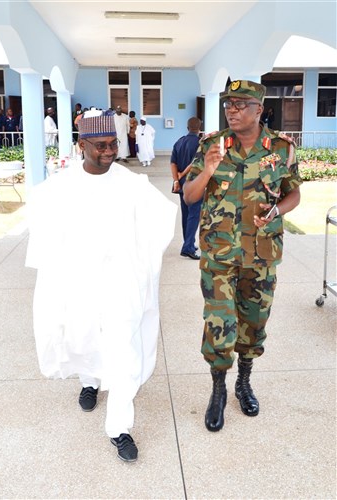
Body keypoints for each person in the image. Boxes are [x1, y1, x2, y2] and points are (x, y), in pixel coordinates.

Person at [26, 109, 177, 463]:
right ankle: (90, 382)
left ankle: (119, 428)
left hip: (121, 286)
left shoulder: (130, 184)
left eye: (113, 143)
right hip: (78, 287)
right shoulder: (60, 187)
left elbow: (160, 219)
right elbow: (41, 223)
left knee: (125, 352)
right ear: (82, 146)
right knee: (83, 339)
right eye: (101, 145)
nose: (109, 150)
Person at [183, 80, 302, 432]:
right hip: (219, 254)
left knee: (254, 322)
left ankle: (244, 382)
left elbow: (294, 195)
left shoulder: (281, 149)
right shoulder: (210, 145)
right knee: (220, 323)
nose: (231, 110)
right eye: (227, 105)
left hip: (261, 253)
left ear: (258, 109)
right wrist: (207, 169)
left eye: (239, 104)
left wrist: (277, 212)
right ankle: (218, 389)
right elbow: (189, 195)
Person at [170, 116, 203, 260]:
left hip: (181, 184)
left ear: (187, 127)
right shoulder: (200, 144)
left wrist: (176, 180)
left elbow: (173, 163)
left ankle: (188, 242)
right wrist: (183, 173)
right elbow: (196, 163)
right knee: (194, 215)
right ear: (199, 127)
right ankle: (188, 247)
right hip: (195, 184)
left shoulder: (179, 142)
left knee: (186, 214)